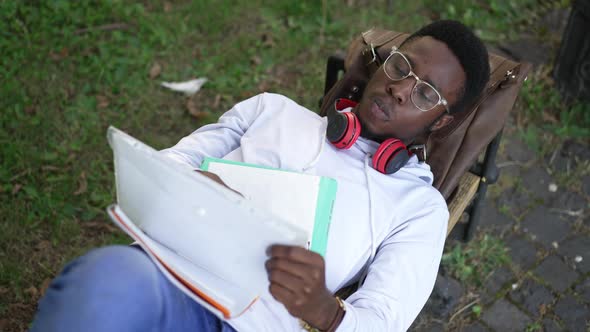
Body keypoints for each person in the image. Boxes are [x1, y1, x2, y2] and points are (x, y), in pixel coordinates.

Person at [31, 20, 490, 332]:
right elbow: (166, 163)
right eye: (400, 66)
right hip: (162, 272)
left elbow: (383, 320)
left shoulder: (416, 206)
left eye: (425, 92)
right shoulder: (271, 110)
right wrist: (194, 184)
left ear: (442, 122)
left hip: (248, 321)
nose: (400, 87)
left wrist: (326, 311)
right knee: (103, 281)